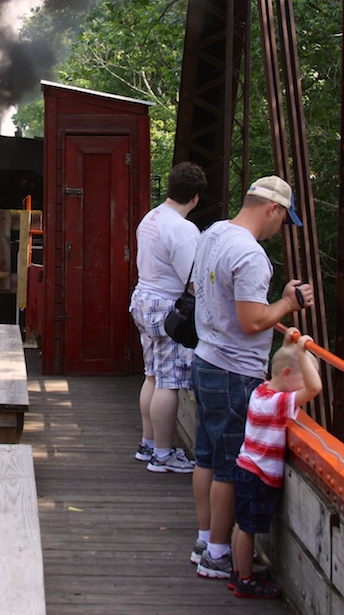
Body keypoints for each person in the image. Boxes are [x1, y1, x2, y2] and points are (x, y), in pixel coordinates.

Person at [191, 175, 314, 580]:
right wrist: (287, 303)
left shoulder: (213, 233)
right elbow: (251, 321)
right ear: (272, 209)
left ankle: (205, 539)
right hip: (233, 370)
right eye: (284, 219)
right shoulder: (251, 255)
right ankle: (218, 556)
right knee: (228, 468)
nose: (282, 229)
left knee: (205, 457)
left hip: (205, 358)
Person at [230, 329, 322, 599]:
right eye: (302, 377)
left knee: (241, 524)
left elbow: (283, 365)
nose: (306, 384)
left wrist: (289, 346)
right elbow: (315, 389)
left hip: (246, 467)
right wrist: (303, 350)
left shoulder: (261, 391)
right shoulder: (279, 403)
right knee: (248, 529)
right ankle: (245, 582)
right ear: (286, 376)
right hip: (259, 476)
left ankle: (239, 571)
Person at [129, 161, 208, 473]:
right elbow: (194, 280)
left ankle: (148, 443)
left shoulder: (152, 217)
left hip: (143, 301)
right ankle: (162, 455)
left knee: (152, 374)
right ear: (196, 197)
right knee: (168, 382)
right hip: (167, 310)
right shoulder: (183, 229)